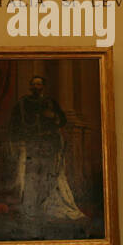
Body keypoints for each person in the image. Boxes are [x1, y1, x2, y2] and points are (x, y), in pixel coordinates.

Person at [7, 75, 84, 221]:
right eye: (34, 85)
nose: (36, 87)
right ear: (30, 87)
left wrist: (53, 116)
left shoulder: (50, 102)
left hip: (49, 144)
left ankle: (46, 206)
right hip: (32, 145)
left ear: (43, 87)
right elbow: (14, 123)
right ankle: (31, 207)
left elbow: (62, 120)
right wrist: (16, 141)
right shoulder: (22, 103)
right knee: (31, 176)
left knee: (49, 176)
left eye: (39, 84)